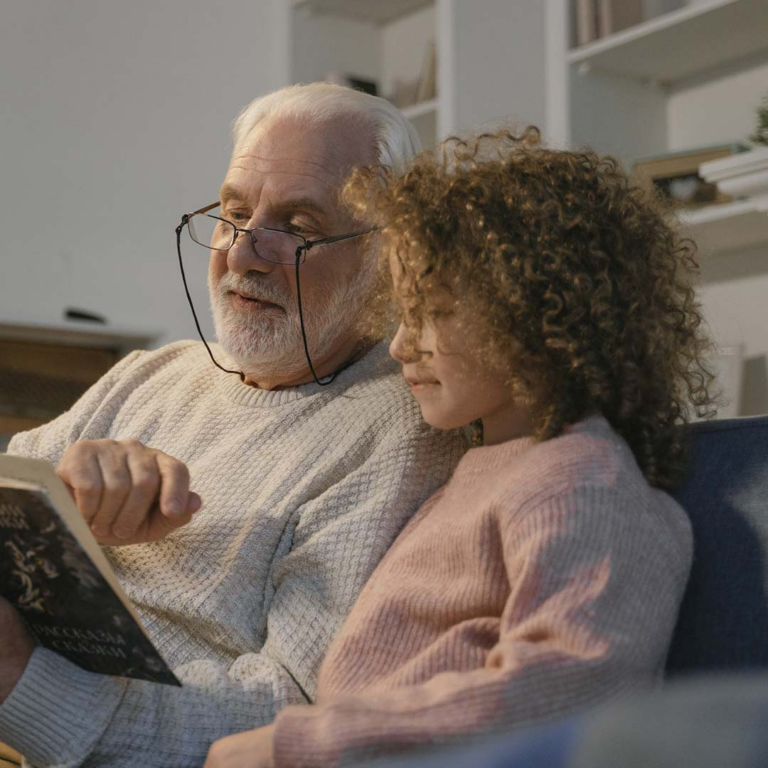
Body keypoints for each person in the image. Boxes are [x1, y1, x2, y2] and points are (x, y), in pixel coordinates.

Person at [204, 127, 717, 768]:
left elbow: (573, 685)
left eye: (431, 313)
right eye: (402, 314)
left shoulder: (580, 478)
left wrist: (302, 744)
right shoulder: (480, 468)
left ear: (533, 318)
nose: (398, 345)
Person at [0, 84, 468, 767]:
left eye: (299, 226)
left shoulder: (407, 428)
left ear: (387, 254)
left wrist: (24, 684)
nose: (244, 253)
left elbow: (290, 717)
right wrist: (59, 505)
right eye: (235, 212)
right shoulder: (154, 372)